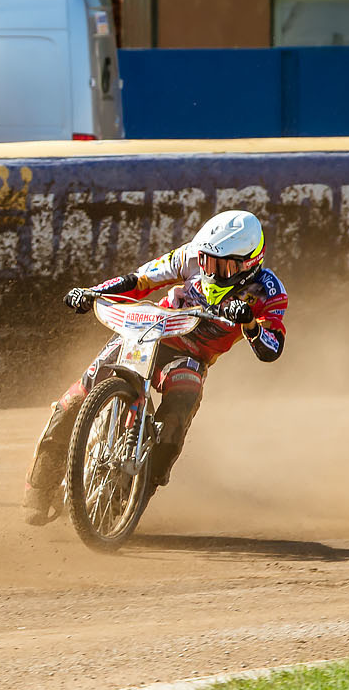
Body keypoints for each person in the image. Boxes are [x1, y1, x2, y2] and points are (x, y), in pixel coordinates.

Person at [22, 209, 287, 525]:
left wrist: (250, 324)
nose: (209, 270)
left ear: (248, 263)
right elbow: (140, 279)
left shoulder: (269, 290)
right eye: (205, 261)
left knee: (179, 411)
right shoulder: (188, 256)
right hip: (150, 330)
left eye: (220, 265)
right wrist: (93, 293)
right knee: (78, 395)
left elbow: (271, 347)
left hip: (192, 356)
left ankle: (132, 494)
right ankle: (38, 488)